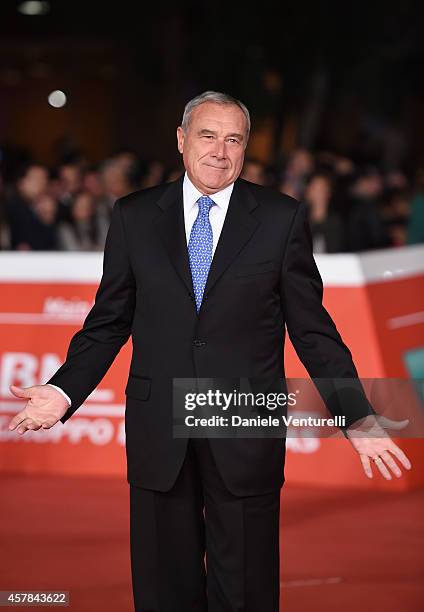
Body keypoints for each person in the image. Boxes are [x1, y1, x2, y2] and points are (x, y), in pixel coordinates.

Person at [8, 91, 412, 612]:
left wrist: (356, 417)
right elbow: (108, 322)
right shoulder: (133, 217)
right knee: (162, 591)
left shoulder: (279, 218)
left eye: (233, 139)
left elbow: (314, 332)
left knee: (244, 590)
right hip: (159, 426)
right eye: (207, 135)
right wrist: (64, 391)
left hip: (243, 422)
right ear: (181, 141)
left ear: (244, 150)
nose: (220, 150)